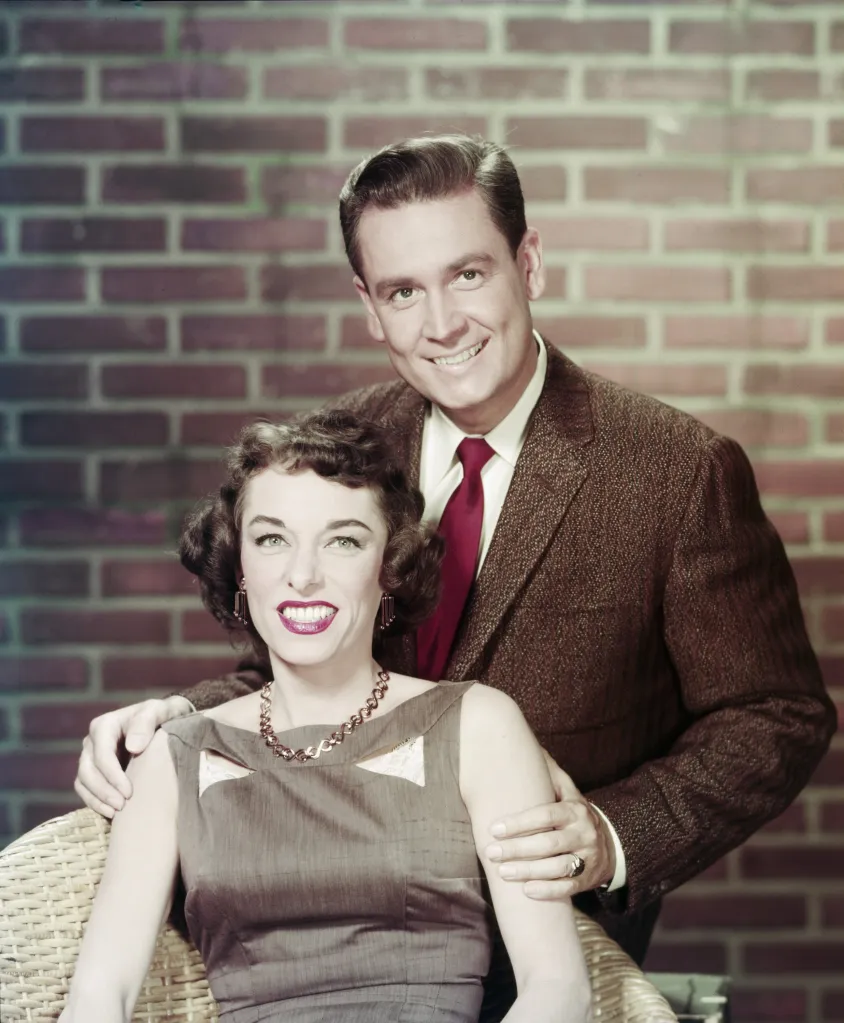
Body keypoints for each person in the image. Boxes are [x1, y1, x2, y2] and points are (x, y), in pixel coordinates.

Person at [74, 133, 836, 1013]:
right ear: (369, 305)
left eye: (467, 274)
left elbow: (776, 712)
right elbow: (300, 657)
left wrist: (611, 833)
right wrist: (184, 716)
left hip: (545, 935)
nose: (441, 323)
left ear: (529, 262)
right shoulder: (343, 449)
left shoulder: (676, 471)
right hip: (336, 921)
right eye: (404, 290)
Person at [59, 410, 592, 1023]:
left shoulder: (478, 725)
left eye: (343, 540)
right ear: (239, 568)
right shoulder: (170, 756)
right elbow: (102, 994)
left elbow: (557, 989)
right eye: (271, 538)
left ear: (388, 569)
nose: (303, 575)